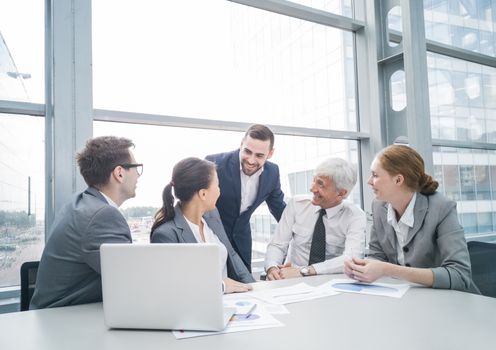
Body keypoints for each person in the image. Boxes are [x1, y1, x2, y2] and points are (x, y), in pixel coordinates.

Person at [344, 144, 479, 293]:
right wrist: (360, 267)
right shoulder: (378, 206)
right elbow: (377, 255)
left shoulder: (442, 208)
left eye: (375, 175)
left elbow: (459, 275)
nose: (369, 181)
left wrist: (387, 269)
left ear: (398, 180)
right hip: (408, 298)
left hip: (451, 301)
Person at [30, 136, 142, 309]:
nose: (138, 175)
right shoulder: (102, 215)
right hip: (64, 322)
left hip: (54, 317)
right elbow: (131, 281)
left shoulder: (82, 203)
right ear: (119, 173)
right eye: (136, 168)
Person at [150, 157, 254, 293]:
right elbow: (171, 287)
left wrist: (255, 287)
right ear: (203, 194)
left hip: (233, 303)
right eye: (217, 185)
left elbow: (232, 254)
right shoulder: (166, 235)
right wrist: (220, 286)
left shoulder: (212, 215)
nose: (219, 191)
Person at [265, 158, 366, 280]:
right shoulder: (297, 204)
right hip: (292, 279)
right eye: (314, 181)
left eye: (321, 184)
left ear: (341, 193)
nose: (312, 188)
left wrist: (305, 271)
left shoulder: (354, 215)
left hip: (331, 281)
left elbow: (352, 257)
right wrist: (272, 268)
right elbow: (277, 244)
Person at [206, 124, 286, 271]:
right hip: (212, 239)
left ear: (270, 153)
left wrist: (301, 235)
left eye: (259, 155)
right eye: (247, 151)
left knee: (245, 285)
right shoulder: (214, 164)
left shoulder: (272, 172)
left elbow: (280, 210)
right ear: (241, 144)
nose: (251, 160)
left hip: (242, 241)